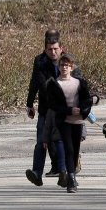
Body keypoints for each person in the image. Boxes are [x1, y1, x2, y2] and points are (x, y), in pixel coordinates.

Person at [25, 30, 78, 187]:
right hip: (46, 108)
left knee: (61, 140)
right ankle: (36, 173)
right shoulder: (40, 61)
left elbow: (79, 80)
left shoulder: (68, 61)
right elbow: (35, 82)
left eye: (55, 49)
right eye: (49, 49)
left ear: (61, 47)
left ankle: (63, 172)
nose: (53, 52)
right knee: (41, 140)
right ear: (45, 49)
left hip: (64, 110)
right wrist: (29, 104)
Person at [45, 53, 94, 193]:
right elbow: (53, 105)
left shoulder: (79, 82)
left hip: (78, 121)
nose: (64, 67)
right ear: (59, 67)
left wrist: (83, 109)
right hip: (64, 120)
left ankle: (71, 174)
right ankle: (71, 180)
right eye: (62, 65)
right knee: (69, 149)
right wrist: (68, 110)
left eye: (67, 65)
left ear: (71, 67)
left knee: (76, 149)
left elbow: (87, 100)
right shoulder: (54, 83)